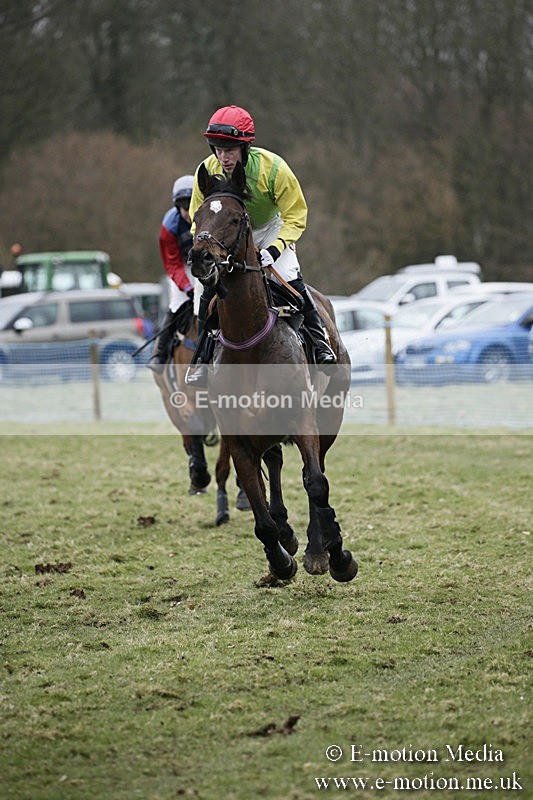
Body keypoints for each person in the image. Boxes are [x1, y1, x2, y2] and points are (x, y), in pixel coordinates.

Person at [185, 105, 336, 386]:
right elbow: (199, 218)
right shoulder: (205, 171)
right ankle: (202, 359)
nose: (223, 157)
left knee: (291, 278)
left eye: (229, 150)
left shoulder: (274, 168)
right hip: (226, 237)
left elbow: (295, 214)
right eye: (217, 149)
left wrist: (275, 249)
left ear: (245, 146)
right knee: (205, 292)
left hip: (269, 230)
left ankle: (321, 342)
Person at [147, 175, 195, 373]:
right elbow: (173, 264)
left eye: (191, 208)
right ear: (178, 208)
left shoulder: (210, 214)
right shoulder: (169, 226)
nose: (188, 215)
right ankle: (161, 354)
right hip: (183, 267)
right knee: (177, 304)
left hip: (208, 264)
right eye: (184, 209)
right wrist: (187, 287)